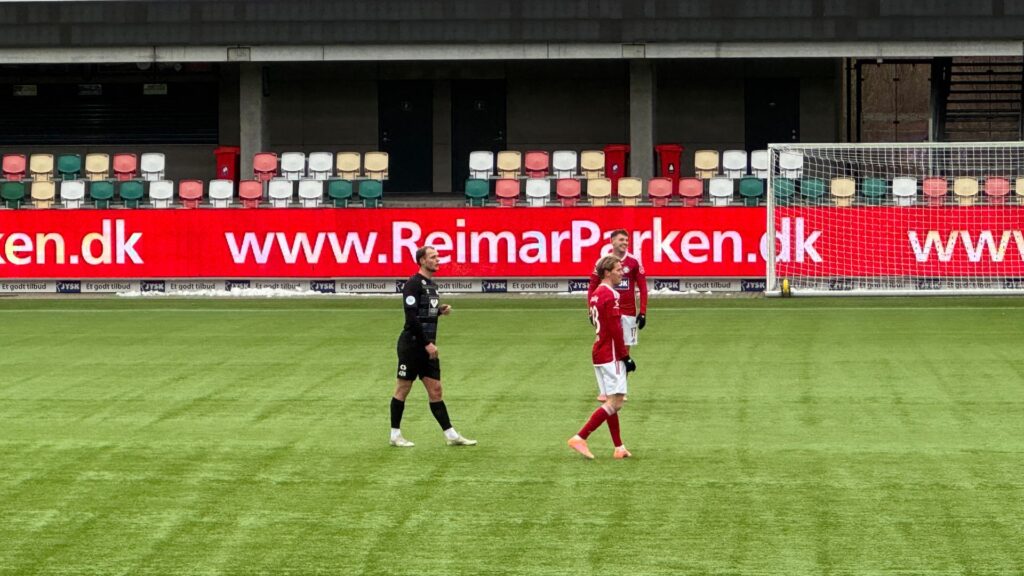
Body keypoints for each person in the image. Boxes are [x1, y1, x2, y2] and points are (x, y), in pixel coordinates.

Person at [389, 245, 477, 448]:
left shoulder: (431, 285)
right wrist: (427, 343)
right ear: (422, 261)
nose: (438, 260)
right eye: (433, 257)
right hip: (412, 345)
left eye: (437, 256)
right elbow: (411, 317)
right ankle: (395, 434)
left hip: (427, 345)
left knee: (435, 390)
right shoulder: (413, 284)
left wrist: (438, 312)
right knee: (403, 388)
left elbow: (423, 312)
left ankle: (451, 435)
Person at [568, 255, 636, 460]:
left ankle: (619, 447)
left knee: (611, 401)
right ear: (607, 272)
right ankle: (580, 437)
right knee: (615, 403)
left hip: (599, 351)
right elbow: (616, 329)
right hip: (611, 353)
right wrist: (625, 356)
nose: (622, 273)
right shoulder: (611, 295)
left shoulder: (596, 294)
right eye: (618, 270)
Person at [587, 229, 647, 402]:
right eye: (621, 239)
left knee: (624, 349)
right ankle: (606, 389)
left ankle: (621, 389)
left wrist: (642, 311)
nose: (625, 242)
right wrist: (590, 309)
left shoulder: (634, 261)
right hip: (607, 311)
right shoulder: (603, 262)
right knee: (605, 346)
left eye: (626, 240)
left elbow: (642, 287)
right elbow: (592, 287)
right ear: (612, 241)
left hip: (628, 312)